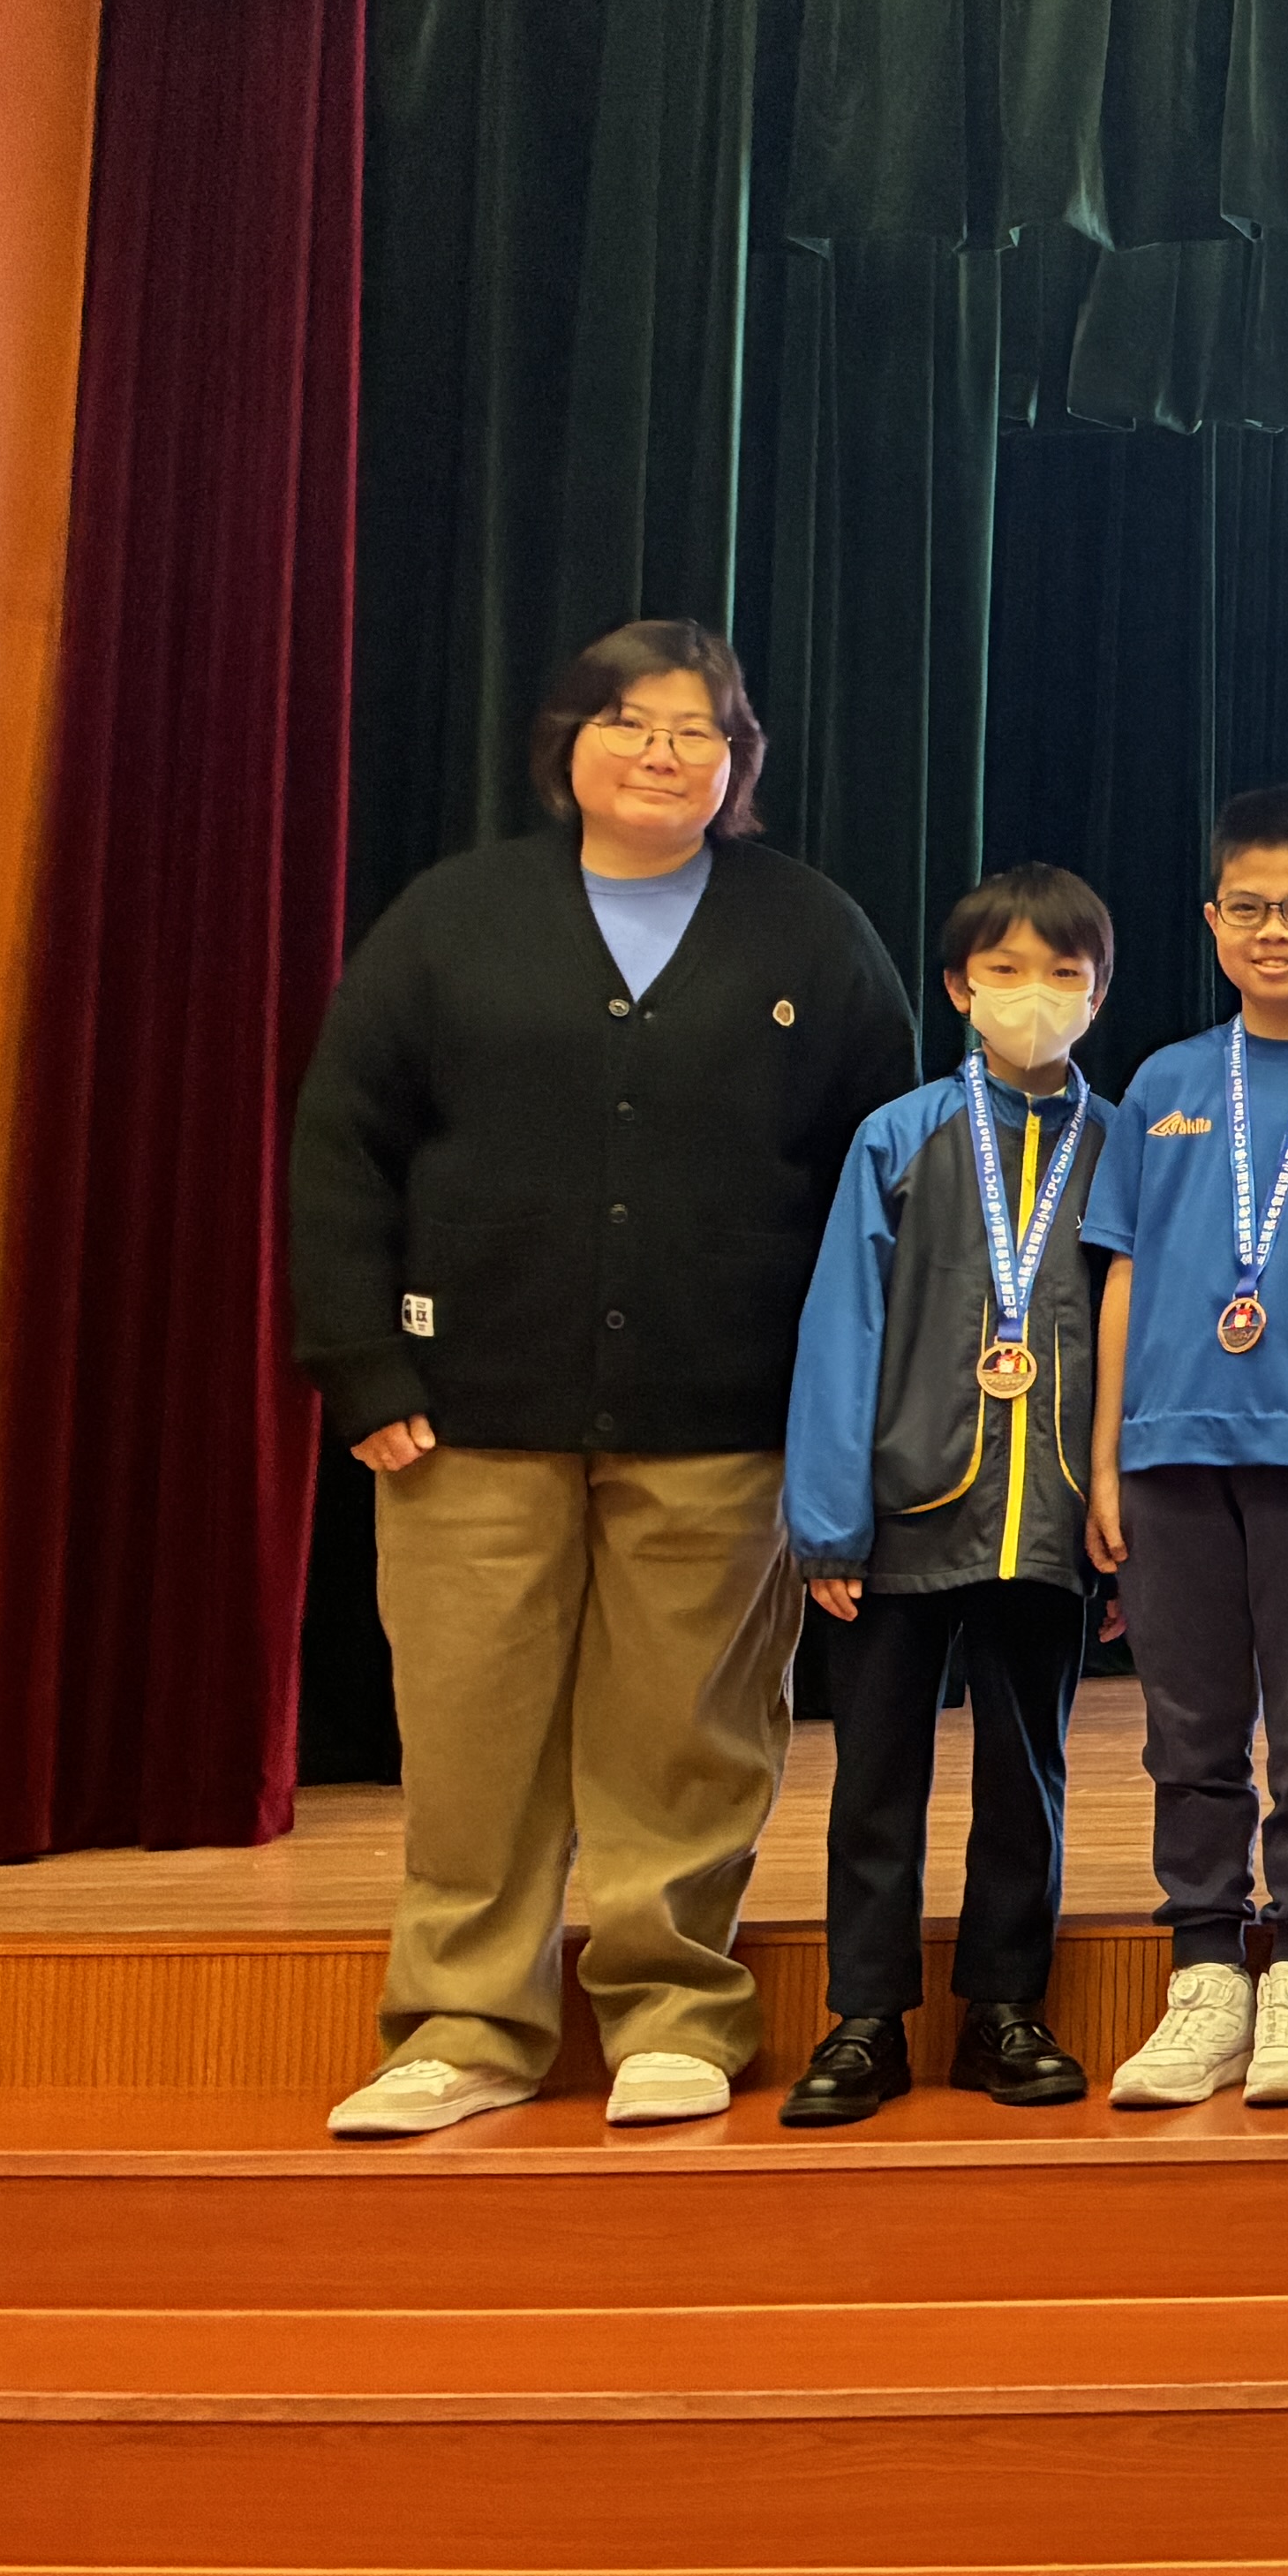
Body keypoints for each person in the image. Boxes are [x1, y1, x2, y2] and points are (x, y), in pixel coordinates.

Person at [289, 620, 916, 2139]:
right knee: (471, 1732)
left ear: (737, 761)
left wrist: (844, 1408)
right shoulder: (456, 918)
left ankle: (674, 2011)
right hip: (465, 1413)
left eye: (699, 728)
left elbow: (890, 1177)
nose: (661, 751)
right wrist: (361, 1360)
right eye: (629, 720)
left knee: (688, 1733)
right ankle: (463, 2024)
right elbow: (343, 1144)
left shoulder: (810, 932)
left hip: (726, 1419)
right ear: (567, 740)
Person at [1081, 782, 1288, 2113]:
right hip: (1169, 1454)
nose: (1275, 932)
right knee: (1189, 1732)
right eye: (1251, 908)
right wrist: (1108, 1455)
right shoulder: (1165, 1080)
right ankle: (1208, 1972)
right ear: (1214, 921)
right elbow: (1122, 1274)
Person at [776, 865, 1115, 2126]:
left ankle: (1004, 2010)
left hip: (1055, 1514)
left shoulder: (1124, 1147)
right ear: (960, 988)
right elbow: (841, 1327)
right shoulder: (900, 1135)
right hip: (902, 1511)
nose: (1036, 995)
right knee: (876, 1776)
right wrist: (828, 1523)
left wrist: (1125, 1527)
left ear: (1099, 993)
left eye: (1064, 973)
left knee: (1028, 1775)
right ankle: (866, 2019)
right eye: (1006, 970)